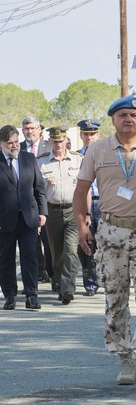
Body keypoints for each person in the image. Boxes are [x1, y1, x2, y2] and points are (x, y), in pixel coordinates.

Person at [73, 95, 136, 389]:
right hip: (110, 233)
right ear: (113, 120)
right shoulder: (97, 150)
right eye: (122, 115)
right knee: (115, 298)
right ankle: (123, 358)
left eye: (133, 115)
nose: (128, 119)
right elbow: (80, 191)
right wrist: (82, 226)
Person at [0, 125, 47, 310]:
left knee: (30, 257)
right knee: (6, 258)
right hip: (5, 220)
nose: (14, 146)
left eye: (15, 142)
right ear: (1, 144)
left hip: (29, 218)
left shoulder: (28, 158)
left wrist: (43, 212)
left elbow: (39, 188)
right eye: (9, 143)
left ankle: (32, 296)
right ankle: (10, 295)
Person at [37, 126, 83, 305]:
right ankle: (58, 280)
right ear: (50, 142)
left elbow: (84, 187)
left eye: (61, 140)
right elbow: (37, 190)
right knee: (56, 254)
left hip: (73, 211)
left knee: (71, 250)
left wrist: (85, 213)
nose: (58, 144)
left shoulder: (78, 160)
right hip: (51, 212)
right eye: (54, 141)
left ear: (66, 141)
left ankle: (67, 289)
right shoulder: (41, 162)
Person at [21, 115, 54, 285]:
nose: (30, 131)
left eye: (33, 128)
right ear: (22, 130)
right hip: (26, 204)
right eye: (26, 128)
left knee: (49, 243)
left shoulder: (49, 147)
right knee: (31, 244)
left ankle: (51, 273)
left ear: (39, 129)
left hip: (47, 201)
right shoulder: (17, 149)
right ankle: (38, 273)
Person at [77, 119, 102, 296]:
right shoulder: (76, 157)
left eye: (92, 134)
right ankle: (91, 283)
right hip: (84, 204)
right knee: (87, 245)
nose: (89, 137)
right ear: (81, 135)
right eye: (86, 134)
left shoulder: (107, 155)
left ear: (98, 135)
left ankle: (109, 279)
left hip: (104, 203)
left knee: (108, 243)